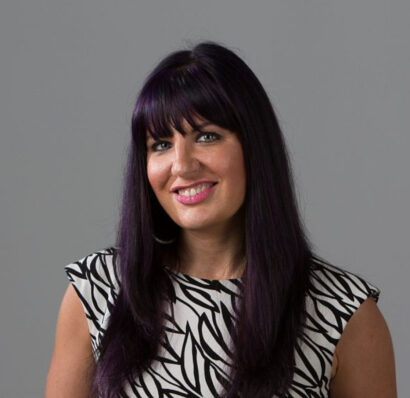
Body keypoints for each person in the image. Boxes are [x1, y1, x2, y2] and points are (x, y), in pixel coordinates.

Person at [45, 41, 397, 398]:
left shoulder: (340, 312)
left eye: (207, 136)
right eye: (161, 144)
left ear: (255, 147)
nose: (182, 165)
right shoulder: (98, 292)